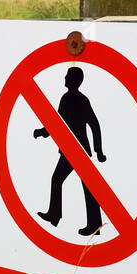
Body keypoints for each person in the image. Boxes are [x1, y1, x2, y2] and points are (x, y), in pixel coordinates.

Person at [34, 66, 106, 236]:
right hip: (70, 149)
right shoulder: (68, 98)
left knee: (83, 186)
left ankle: (92, 225)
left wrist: (99, 151)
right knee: (61, 180)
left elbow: (94, 124)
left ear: (74, 80)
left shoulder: (77, 99)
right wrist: (42, 132)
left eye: (67, 76)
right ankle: (55, 215)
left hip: (77, 150)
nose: (64, 78)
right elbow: (56, 122)